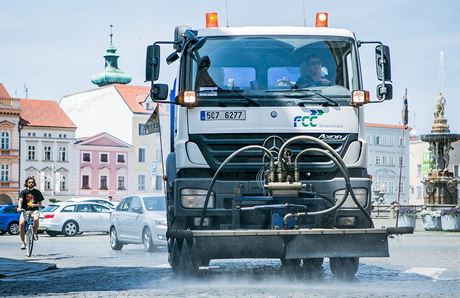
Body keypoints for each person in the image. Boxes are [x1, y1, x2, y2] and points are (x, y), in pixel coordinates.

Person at [17, 176, 44, 249]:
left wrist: (34, 205)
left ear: (34, 183)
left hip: (34, 210)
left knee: (36, 218)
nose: (31, 183)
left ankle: (35, 232)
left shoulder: (37, 192)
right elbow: (20, 200)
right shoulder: (23, 192)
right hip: (25, 210)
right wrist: (19, 207)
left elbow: (40, 204)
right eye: (29, 182)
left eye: (32, 182)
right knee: (21, 224)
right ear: (26, 183)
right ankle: (23, 242)